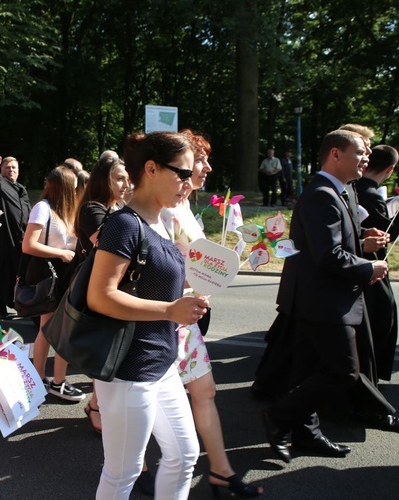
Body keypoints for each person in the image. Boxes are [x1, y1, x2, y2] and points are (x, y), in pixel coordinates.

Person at [88, 131, 208, 499]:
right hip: (128, 370)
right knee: (122, 474)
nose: (189, 183)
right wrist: (171, 310)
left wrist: (190, 292)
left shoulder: (162, 221)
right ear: (152, 169)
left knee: (185, 455)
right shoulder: (125, 223)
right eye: (182, 173)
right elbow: (100, 296)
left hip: (161, 363)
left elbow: (152, 282)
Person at [146, 130, 261, 497]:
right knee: (148, 396)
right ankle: (139, 467)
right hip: (164, 319)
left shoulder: (184, 207)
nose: (207, 167)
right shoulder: (161, 209)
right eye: (200, 160)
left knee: (206, 391)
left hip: (185, 319)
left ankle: (221, 472)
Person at [262, 130, 388, 464]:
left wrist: (363, 239)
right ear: (335, 154)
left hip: (320, 299)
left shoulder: (340, 189)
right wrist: (368, 268)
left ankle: (306, 434)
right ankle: (279, 417)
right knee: (343, 371)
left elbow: (333, 239)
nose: (366, 158)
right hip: (323, 301)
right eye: (360, 152)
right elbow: (327, 255)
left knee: (305, 372)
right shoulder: (321, 194)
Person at [75, 155, 129, 431]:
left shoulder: (118, 208)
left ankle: (97, 404)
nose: (125, 184)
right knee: (103, 353)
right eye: (119, 178)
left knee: (110, 352)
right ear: (103, 179)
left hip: (113, 287)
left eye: (127, 178)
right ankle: (96, 406)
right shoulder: (92, 210)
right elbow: (110, 244)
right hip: (95, 290)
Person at [25, 166, 83, 401]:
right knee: (49, 329)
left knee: (54, 329)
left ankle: (48, 380)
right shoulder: (43, 208)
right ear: (66, 188)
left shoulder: (64, 210)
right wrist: (60, 254)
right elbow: (28, 245)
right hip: (51, 275)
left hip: (65, 274)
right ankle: (44, 379)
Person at [355, 145, 399, 381]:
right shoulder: (369, 193)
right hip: (368, 264)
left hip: (361, 263)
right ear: (390, 169)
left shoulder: (355, 188)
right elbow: (386, 234)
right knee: (382, 314)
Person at [0, 152, 31, 318]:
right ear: (2, 170)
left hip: (18, 238)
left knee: (16, 272)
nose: (11, 170)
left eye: (14, 168)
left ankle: (16, 303)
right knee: (1, 272)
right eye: (7, 167)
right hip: (1, 238)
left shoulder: (21, 188)